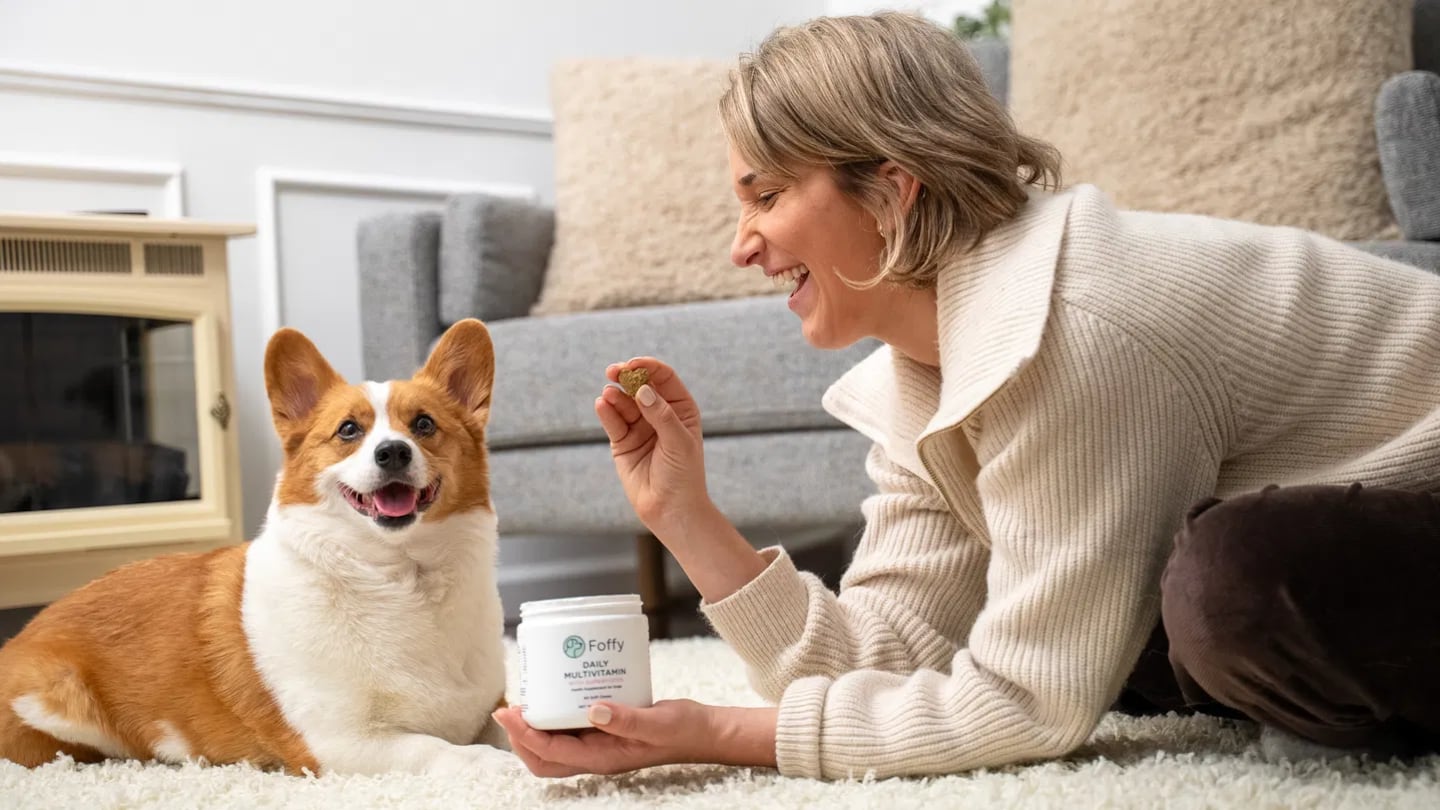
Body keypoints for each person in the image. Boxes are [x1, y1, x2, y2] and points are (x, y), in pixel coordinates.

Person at [492, 11, 1440, 779]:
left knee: (1229, 585)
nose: (741, 245)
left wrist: (712, 733)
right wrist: (687, 518)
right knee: (1116, 617)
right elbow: (889, 657)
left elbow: (1030, 702)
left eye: (767, 195)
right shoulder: (933, 366)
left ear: (890, 190)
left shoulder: (1075, 323)